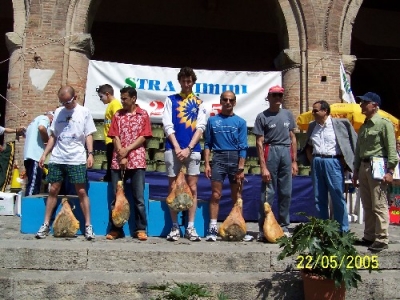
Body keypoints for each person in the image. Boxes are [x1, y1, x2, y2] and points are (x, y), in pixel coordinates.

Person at [36, 85, 97, 240]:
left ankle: (88, 226)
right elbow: (53, 135)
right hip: (58, 156)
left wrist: (90, 154)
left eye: (67, 102)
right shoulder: (58, 112)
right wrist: (44, 154)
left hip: (76, 157)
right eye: (62, 103)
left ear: (75, 97)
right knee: (53, 189)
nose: (65, 106)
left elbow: (89, 134)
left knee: (81, 191)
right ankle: (45, 224)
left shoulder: (84, 112)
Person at [162, 66, 207, 242]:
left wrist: (188, 148)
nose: (187, 84)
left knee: (193, 188)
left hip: (193, 149)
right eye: (184, 81)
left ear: (193, 82)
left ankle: (190, 227)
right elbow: (167, 125)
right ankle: (174, 227)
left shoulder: (200, 103)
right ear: (179, 81)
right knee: (173, 187)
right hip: (172, 148)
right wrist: (177, 147)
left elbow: (200, 128)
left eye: (189, 81)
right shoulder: (170, 100)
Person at [106, 86, 152, 241]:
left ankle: (140, 228)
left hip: (137, 159)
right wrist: (121, 152)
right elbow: (114, 135)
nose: (122, 101)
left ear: (133, 99)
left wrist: (128, 150)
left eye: (125, 98)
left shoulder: (143, 114)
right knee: (116, 196)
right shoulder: (118, 115)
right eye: (121, 98)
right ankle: (116, 228)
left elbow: (144, 136)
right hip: (118, 160)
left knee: (138, 197)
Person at [352, 92, 397, 252]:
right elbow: (358, 150)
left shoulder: (384, 124)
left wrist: (390, 170)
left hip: (378, 165)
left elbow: (391, 148)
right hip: (364, 166)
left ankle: (382, 237)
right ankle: (369, 235)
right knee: (367, 203)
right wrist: (356, 170)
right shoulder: (364, 125)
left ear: (374, 105)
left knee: (379, 203)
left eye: (365, 102)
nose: (361, 105)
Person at [253, 85, 298, 241]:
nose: (278, 98)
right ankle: (263, 227)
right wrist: (263, 166)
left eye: (280, 95)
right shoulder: (262, 116)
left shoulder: (288, 115)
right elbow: (259, 142)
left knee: (286, 192)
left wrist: (294, 162)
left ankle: (284, 226)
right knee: (268, 192)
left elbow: (292, 138)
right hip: (270, 150)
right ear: (269, 97)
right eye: (275, 95)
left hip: (285, 151)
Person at [304, 100, 357, 232]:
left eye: (316, 110)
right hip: (317, 161)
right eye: (313, 110)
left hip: (333, 161)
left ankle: (342, 230)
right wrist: (312, 160)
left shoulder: (339, 124)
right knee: (318, 197)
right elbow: (308, 146)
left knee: (337, 195)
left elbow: (352, 142)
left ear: (325, 111)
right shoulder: (312, 126)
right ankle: (323, 228)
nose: (313, 113)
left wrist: (346, 162)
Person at [203, 91, 248, 241]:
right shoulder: (212, 121)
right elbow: (208, 144)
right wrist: (207, 164)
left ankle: (239, 228)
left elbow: (243, 147)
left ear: (234, 102)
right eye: (225, 99)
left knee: (237, 196)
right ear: (220, 101)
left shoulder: (240, 122)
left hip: (235, 159)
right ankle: (213, 228)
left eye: (231, 100)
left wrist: (241, 168)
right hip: (219, 158)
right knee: (216, 195)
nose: (228, 102)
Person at [23, 111, 54, 196]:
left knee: (33, 183)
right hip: (35, 156)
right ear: (52, 118)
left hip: (28, 156)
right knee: (33, 186)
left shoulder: (32, 123)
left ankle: (30, 205)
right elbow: (41, 128)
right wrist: (47, 141)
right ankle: (29, 206)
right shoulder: (44, 118)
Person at [96, 84, 122, 182]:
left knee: (112, 160)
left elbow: (118, 121)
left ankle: (111, 178)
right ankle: (109, 176)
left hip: (113, 139)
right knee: (110, 159)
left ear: (107, 94)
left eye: (101, 97)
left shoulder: (115, 104)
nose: (101, 99)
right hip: (109, 139)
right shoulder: (110, 105)